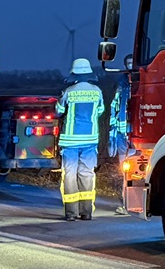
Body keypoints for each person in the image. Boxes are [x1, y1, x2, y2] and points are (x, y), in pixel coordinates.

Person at [55, 58, 105, 220]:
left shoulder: (69, 91)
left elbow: (59, 111)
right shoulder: (97, 91)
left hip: (70, 140)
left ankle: (71, 213)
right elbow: (100, 110)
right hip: (90, 139)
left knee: (69, 174)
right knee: (87, 173)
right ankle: (86, 212)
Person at [107, 78, 132, 215]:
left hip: (130, 138)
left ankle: (129, 204)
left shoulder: (127, 89)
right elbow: (114, 112)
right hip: (123, 138)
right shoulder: (121, 90)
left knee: (129, 173)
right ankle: (127, 203)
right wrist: (113, 138)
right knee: (126, 173)